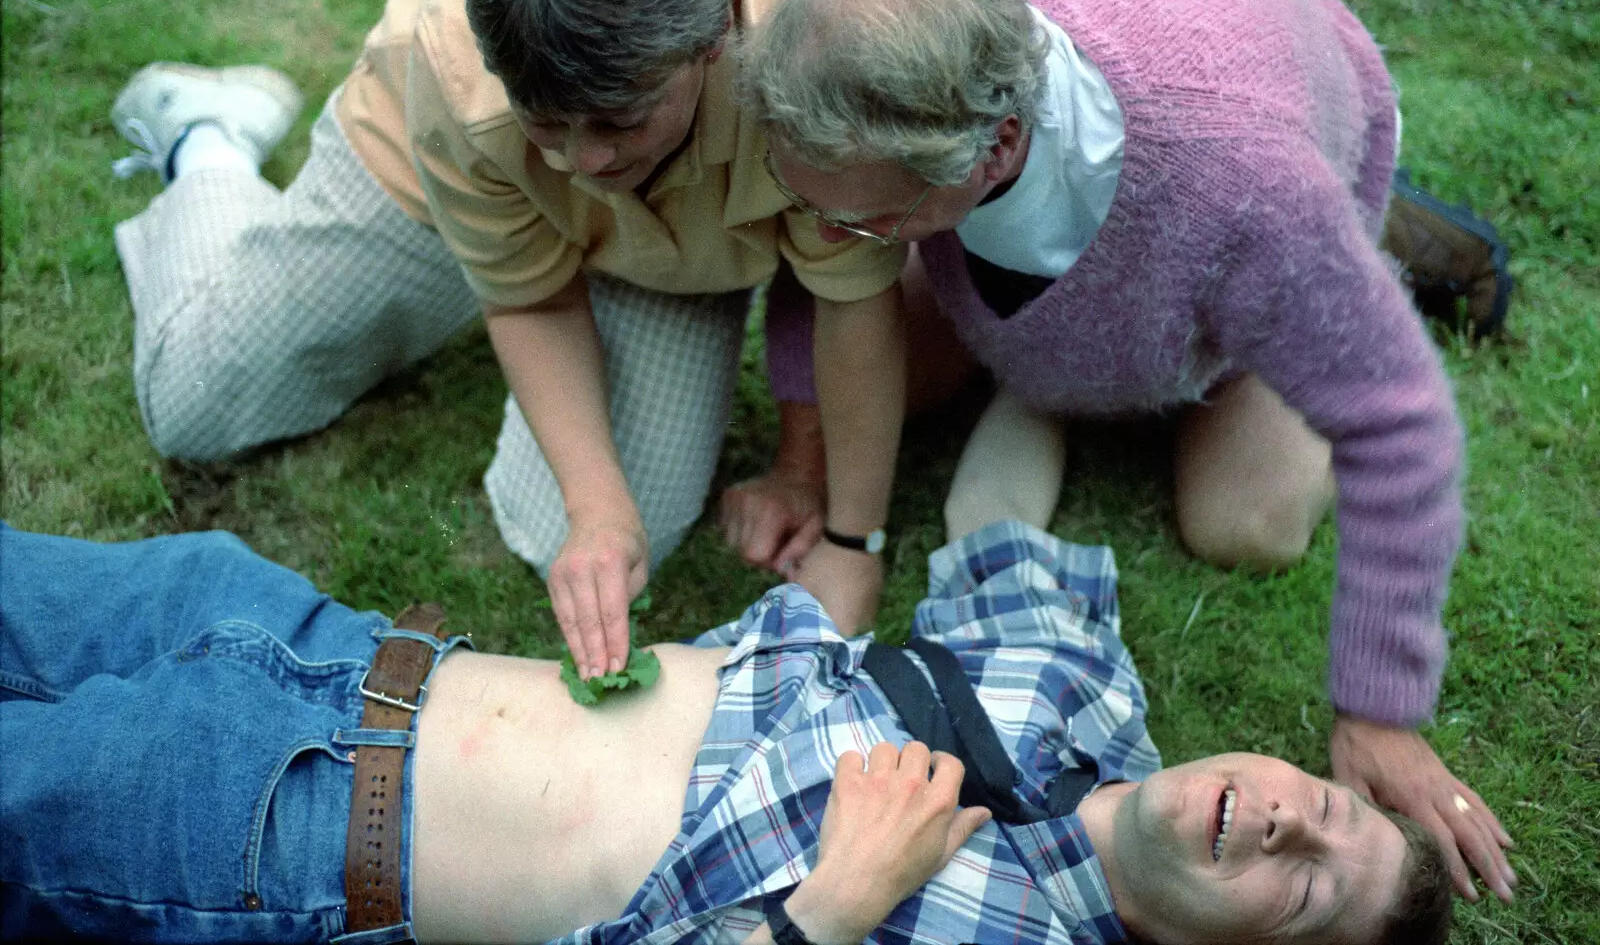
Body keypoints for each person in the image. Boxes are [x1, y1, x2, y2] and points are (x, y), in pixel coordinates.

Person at [723, 0, 1517, 906]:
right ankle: (1049, 365)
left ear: (994, 147)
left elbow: (1399, 423)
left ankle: (1377, 237)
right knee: (913, 362)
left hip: (1274, 136)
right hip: (1080, 167)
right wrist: (806, 463)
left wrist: (1378, 711)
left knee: (1247, 522)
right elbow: (827, 258)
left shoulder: (1242, 189)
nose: (825, 242)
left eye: (861, 224)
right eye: (811, 206)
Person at [105, 0, 907, 689]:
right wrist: (599, 509)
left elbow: (854, 295)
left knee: (582, 531)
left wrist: (852, 541)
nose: (583, 162)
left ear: (713, 42)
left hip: (677, 257)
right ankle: (208, 143)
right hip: (423, 174)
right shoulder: (454, 65)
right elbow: (532, 294)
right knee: (193, 402)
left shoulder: (821, 38)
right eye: (546, 120)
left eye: (620, 119)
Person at [0, 518, 1455, 944]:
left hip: (276, 827)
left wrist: (831, 912)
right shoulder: (1082, 691)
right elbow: (1004, 515)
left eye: (1309, 884)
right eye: (1318, 806)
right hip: (303, 634)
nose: (1282, 817)